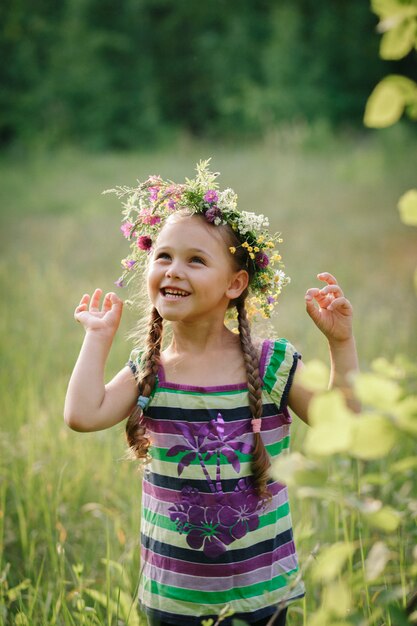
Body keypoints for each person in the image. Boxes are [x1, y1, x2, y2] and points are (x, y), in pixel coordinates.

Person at [64, 161, 359, 626]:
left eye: (196, 260)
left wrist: (341, 344)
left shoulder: (270, 365)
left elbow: (343, 426)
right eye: (163, 256)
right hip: (173, 598)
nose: (174, 270)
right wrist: (97, 338)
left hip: (262, 596)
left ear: (235, 284)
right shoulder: (150, 368)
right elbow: (82, 414)